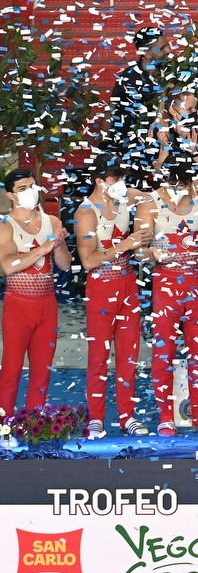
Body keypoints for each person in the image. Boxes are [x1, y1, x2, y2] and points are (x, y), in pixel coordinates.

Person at [134, 155, 198, 436]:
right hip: (166, 284)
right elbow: (138, 250)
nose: (178, 189)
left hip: (197, 282)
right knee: (164, 351)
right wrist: (151, 254)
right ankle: (165, 416)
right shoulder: (149, 203)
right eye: (173, 184)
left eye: (183, 184)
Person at [74, 158, 151, 437]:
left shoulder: (123, 198)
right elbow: (88, 261)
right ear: (99, 182)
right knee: (99, 355)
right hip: (101, 287)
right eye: (115, 180)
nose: (121, 185)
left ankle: (127, 416)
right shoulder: (86, 212)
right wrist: (126, 244)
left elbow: (152, 197)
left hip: (128, 284)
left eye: (122, 180)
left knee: (129, 355)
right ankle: (96, 417)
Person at [0, 170, 71, 422]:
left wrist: (58, 246)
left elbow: (64, 265)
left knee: (42, 371)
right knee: (11, 370)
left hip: (47, 305)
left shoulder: (52, 221)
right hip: (18, 305)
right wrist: (43, 248)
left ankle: (33, 424)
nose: (30, 192)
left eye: (32, 186)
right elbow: (8, 265)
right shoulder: (5, 225)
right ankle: (4, 424)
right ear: (11, 195)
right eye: (23, 189)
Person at [108, 26, 169, 176]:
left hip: (166, 148)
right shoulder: (129, 79)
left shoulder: (172, 72)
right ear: (147, 53)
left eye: (167, 45)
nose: (168, 50)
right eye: (162, 48)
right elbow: (111, 111)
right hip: (137, 154)